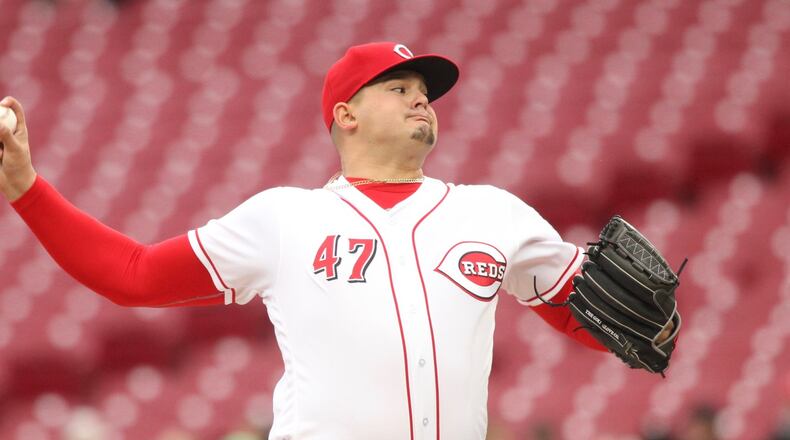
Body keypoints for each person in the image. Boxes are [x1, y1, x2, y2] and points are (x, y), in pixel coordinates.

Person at [2, 42, 626, 439]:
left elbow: (593, 315)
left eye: (425, 93)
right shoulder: (283, 220)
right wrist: (28, 188)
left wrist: (648, 331)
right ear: (345, 115)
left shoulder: (494, 213)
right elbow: (133, 275)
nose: (422, 101)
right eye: (399, 88)